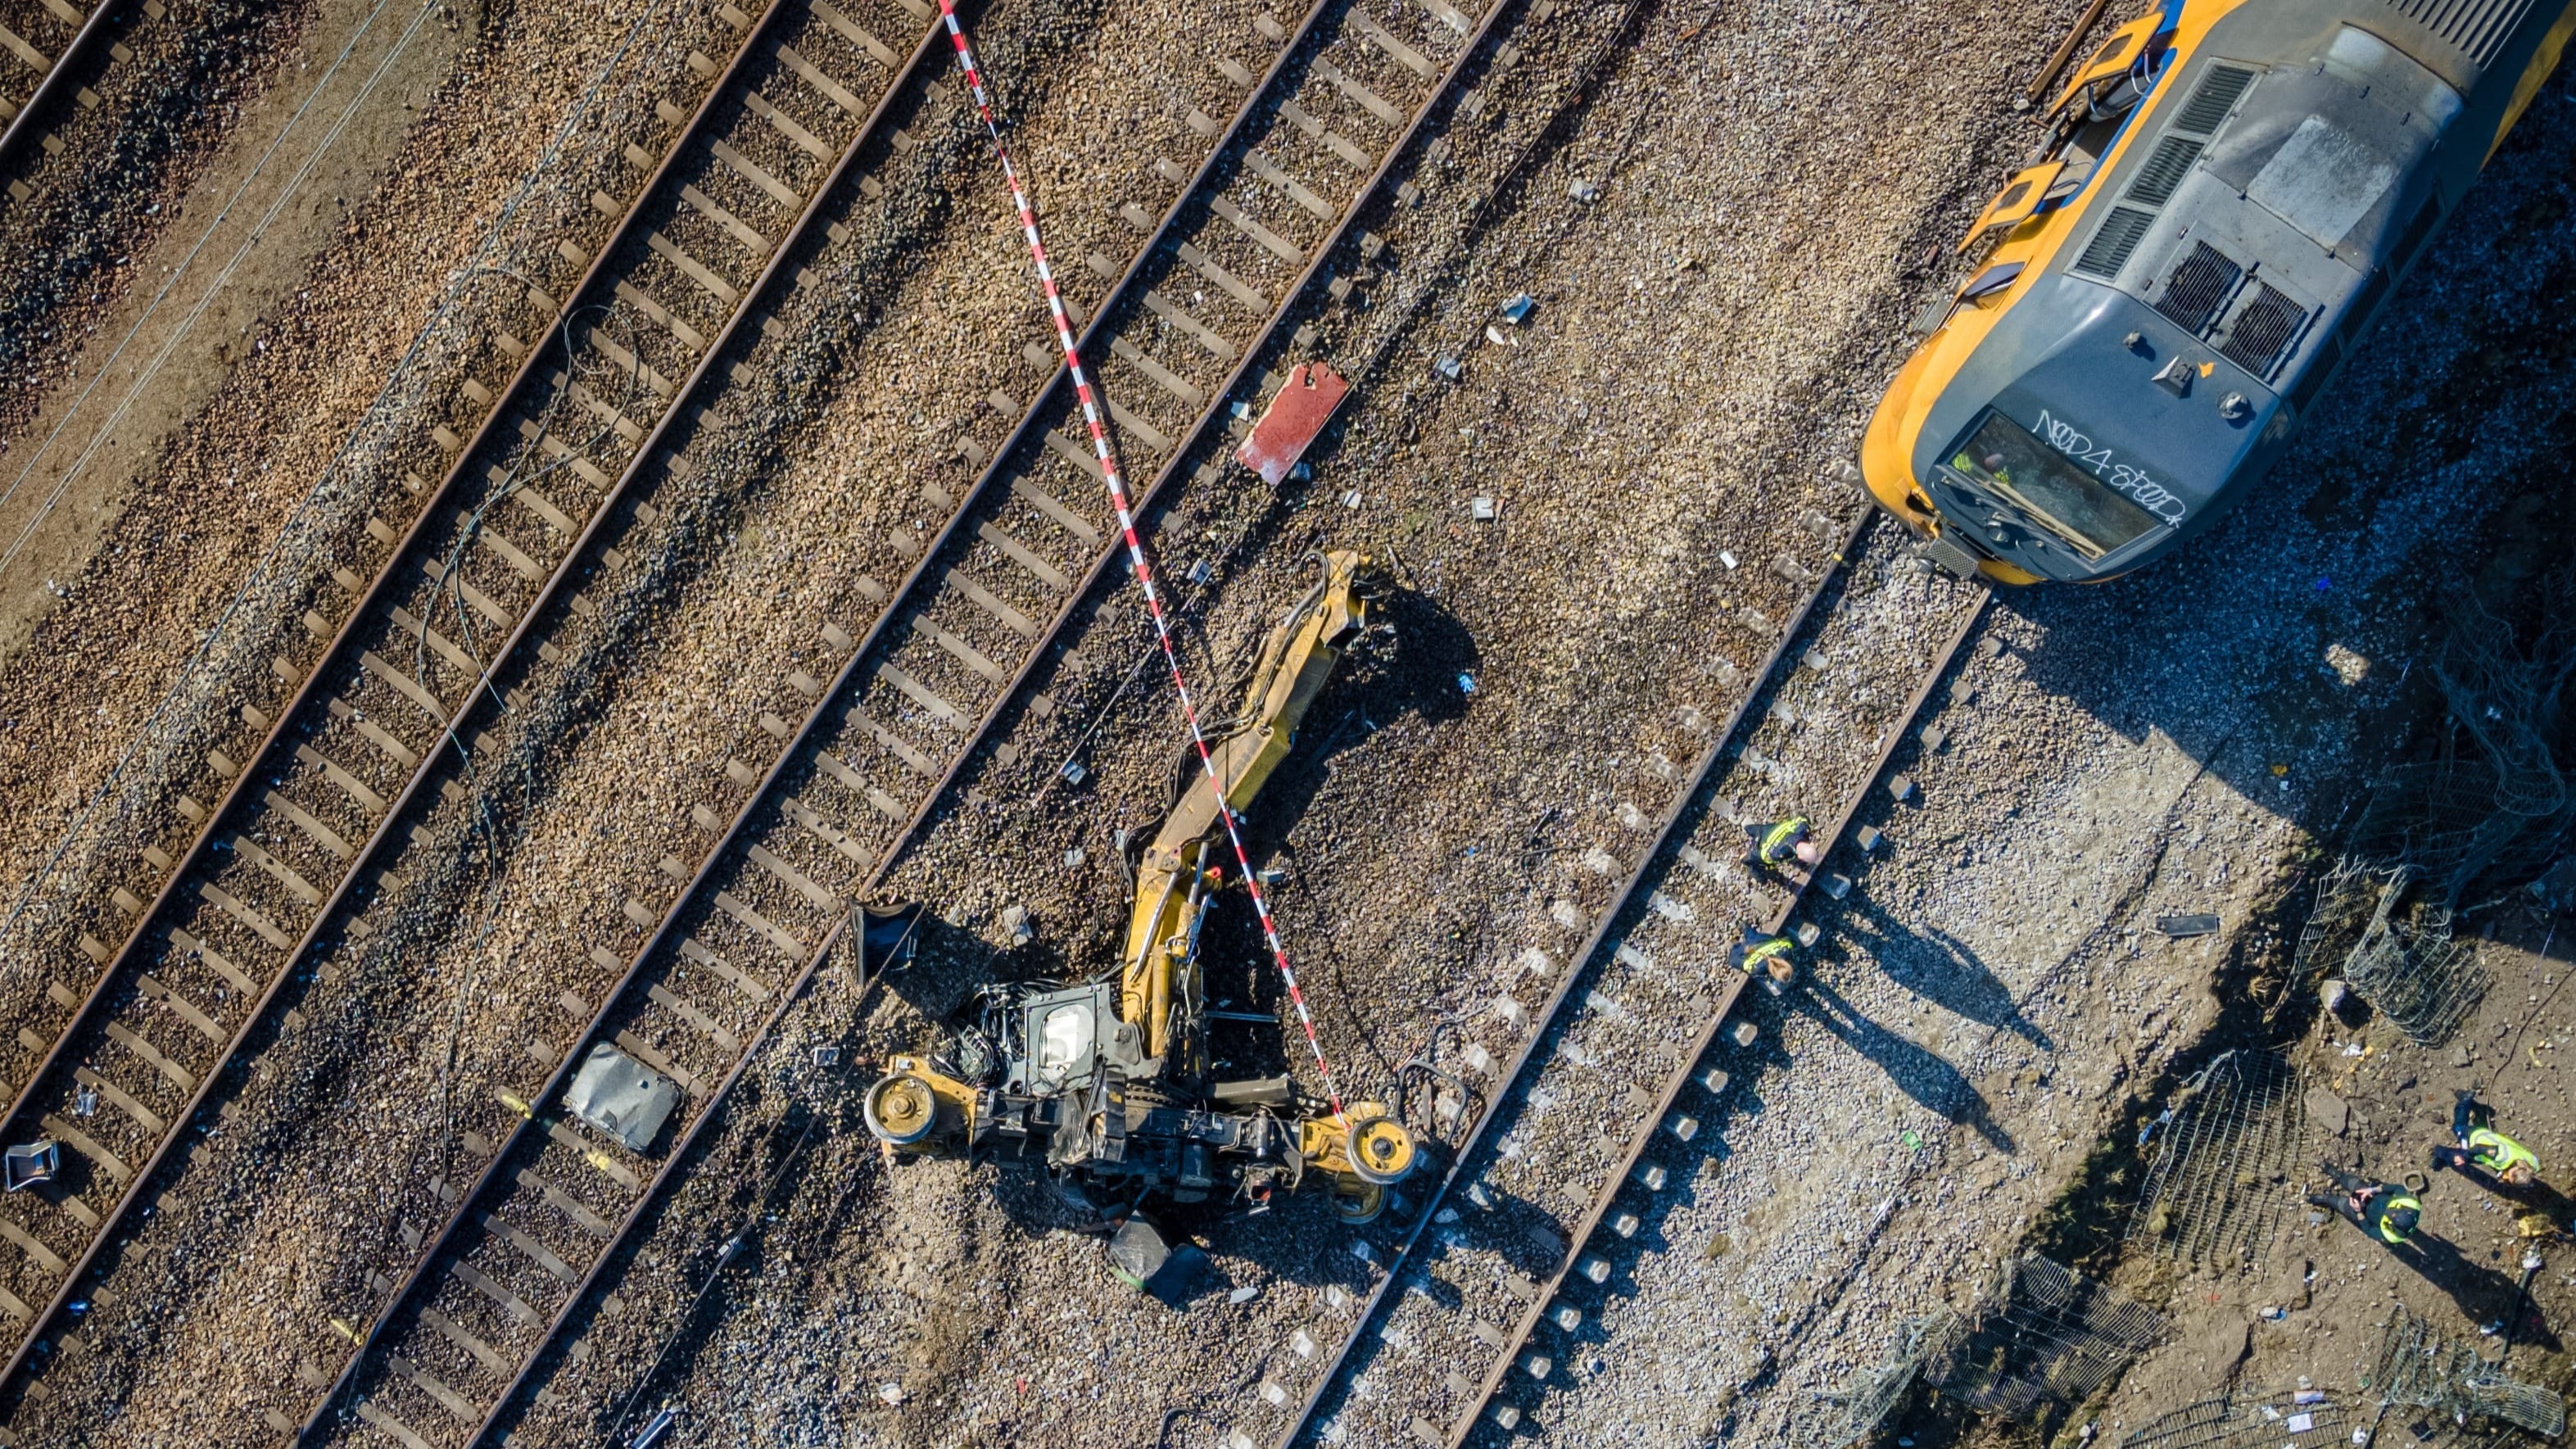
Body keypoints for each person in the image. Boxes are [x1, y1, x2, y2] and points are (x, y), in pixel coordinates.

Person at [2432, 1090, 2539, 1186]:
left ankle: (2443, 1160)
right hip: (2475, 1137)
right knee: (2458, 1129)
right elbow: (2478, 1148)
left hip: (2486, 1152)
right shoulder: (2500, 1156)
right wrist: (2464, 1157)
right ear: (2513, 1173)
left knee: (2465, 1159)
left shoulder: (2533, 1164)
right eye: (2511, 1180)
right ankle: (2465, 1101)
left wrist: (2501, 1173)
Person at [2308, 1159, 2421, 1247]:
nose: (2389, 1211)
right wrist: (2372, 1190)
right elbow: (2396, 1188)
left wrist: (2359, 1212)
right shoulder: (2411, 1203)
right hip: (2373, 1195)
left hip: (2364, 1214)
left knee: (2342, 1204)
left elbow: (2369, 1230)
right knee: (2354, 1183)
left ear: (2393, 1227)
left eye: (2390, 1215)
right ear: (2405, 1209)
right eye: (2393, 1210)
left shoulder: (2390, 1236)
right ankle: (2336, 1174)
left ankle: (2324, 1199)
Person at [1744, 816, 1822, 871]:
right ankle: (1744, 859)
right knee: (1753, 857)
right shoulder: (1779, 854)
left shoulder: (1802, 828)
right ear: (1800, 857)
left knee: (1755, 828)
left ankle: (1747, 827)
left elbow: (1802, 818)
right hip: (1763, 839)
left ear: (1812, 844)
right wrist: (1770, 865)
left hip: (1773, 828)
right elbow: (1762, 856)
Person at [1728, 923, 1795, 985]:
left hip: (1764, 939)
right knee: (1732, 960)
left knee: (1753, 936)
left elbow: (1786, 940)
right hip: (1751, 947)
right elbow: (1748, 967)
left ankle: (1745, 927)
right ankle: (1736, 945)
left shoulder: (1786, 952)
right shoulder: (1759, 969)